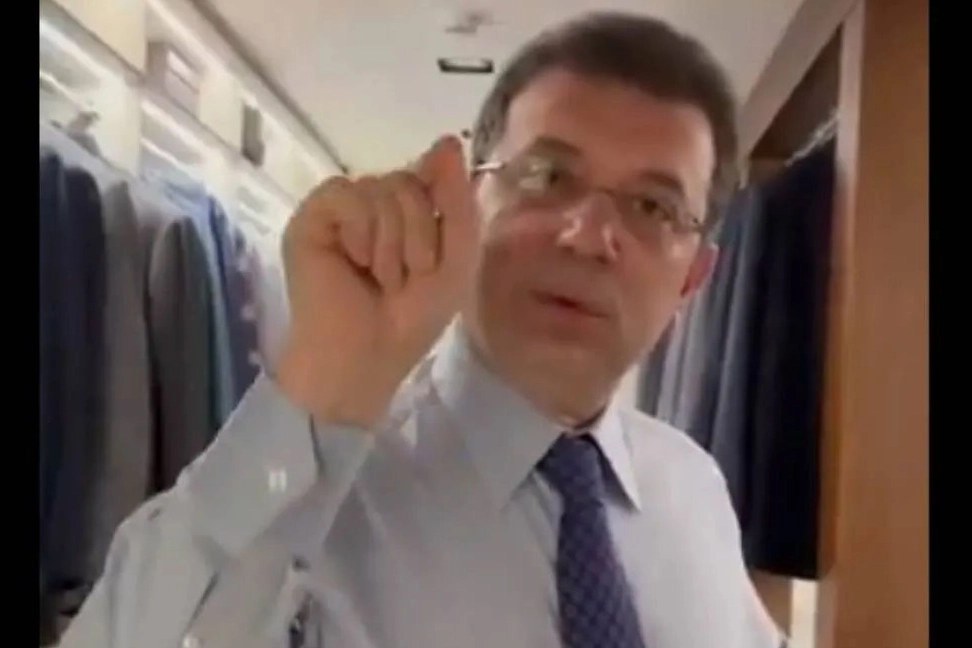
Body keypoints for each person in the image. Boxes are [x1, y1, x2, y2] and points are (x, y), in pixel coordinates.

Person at [61, 11, 785, 648]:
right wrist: (324, 380)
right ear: (471, 196)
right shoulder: (313, 497)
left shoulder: (693, 489)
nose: (590, 235)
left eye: (654, 208)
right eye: (547, 176)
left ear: (692, 279)